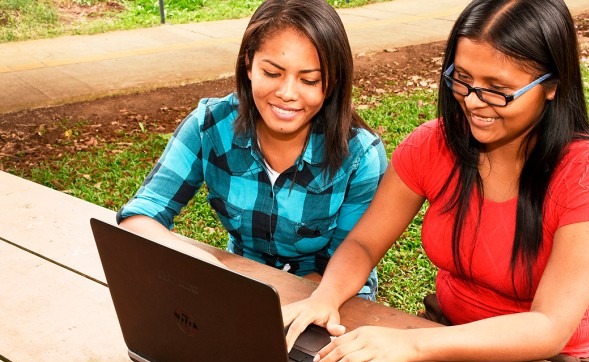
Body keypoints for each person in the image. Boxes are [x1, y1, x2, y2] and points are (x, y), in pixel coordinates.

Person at [282, 0, 589, 362]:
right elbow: (364, 244)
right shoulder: (433, 145)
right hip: (442, 335)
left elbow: (548, 326)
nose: (473, 101)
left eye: (499, 89)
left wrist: (412, 344)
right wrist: (326, 297)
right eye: (462, 78)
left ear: (551, 86)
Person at [116, 0, 387, 300]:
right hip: (237, 288)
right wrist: (210, 270)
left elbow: (344, 262)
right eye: (272, 73)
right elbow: (140, 217)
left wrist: (262, 300)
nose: (287, 94)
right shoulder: (210, 126)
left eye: (309, 80)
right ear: (248, 65)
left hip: (331, 298)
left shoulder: (361, 156)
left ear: (332, 81)